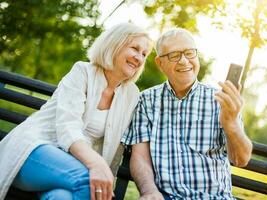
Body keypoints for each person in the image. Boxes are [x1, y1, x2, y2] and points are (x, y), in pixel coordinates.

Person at [0, 23, 152, 200]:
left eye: (144, 54)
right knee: (89, 183)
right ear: (114, 44)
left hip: (70, 170)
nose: (139, 58)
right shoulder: (82, 71)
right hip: (32, 151)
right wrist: (97, 164)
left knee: (62, 197)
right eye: (135, 48)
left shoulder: (131, 94)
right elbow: (68, 126)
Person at [121, 28, 253, 199]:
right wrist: (149, 191)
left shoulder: (222, 101)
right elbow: (140, 156)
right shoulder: (146, 101)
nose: (184, 61)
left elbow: (241, 160)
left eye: (189, 53)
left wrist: (232, 124)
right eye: (174, 55)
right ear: (160, 63)